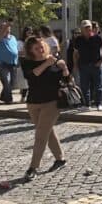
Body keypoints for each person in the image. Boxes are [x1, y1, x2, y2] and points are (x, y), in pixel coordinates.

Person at [20, 36, 70, 180]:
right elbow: (32, 76)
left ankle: (33, 167)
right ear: (31, 51)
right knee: (47, 132)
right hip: (33, 103)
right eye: (37, 48)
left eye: (42, 46)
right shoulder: (26, 62)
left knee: (41, 135)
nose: (41, 50)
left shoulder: (54, 60)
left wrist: (65, 68)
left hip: (52, 102)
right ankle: (60, 159)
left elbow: (66, 80)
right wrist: (46, 63)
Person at [73, 20, 102, 111]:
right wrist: (75, 65)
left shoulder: (97, 38)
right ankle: (87, 105)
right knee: (84, 86)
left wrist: (101, 60)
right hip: (83, 66)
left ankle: (99, 104)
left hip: (96, 65)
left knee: (98, 86)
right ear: (82, 29)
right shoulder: (78, 40)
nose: (88, 29)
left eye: (89, 27)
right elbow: (75, 53)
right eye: (85, 27)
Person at [0, 21, 19, 104]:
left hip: (13, 63)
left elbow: (15, 49)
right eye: (4, 27)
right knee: (7, 82)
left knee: (12, 83)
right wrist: (6, 25)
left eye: (8, 27)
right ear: (0, 29)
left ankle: (3, 96)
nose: (7, 28)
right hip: (2, 64)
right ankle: (9, 99)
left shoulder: (13, 37)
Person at [17, 27, 35, 103]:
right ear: (25, 33)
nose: (30, 34)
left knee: (32, 80)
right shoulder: (20, 42)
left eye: (31, 32)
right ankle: (23, 97)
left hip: (33, 61)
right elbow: (18, 52)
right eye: (28, 32)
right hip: (24, 62)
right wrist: (28, 52)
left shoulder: (33, 41)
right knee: (25, 80)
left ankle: (30, 96)